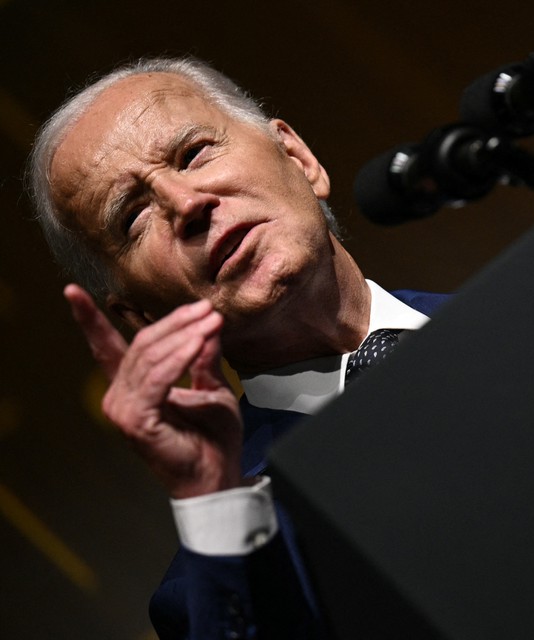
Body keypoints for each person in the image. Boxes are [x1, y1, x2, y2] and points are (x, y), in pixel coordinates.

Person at [28, 56, 446, 638]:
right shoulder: (227, 564)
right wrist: (215, 507)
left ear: (299, 159)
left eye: (194, 153)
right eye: (132, 216)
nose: (186, 203)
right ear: (139, 316)